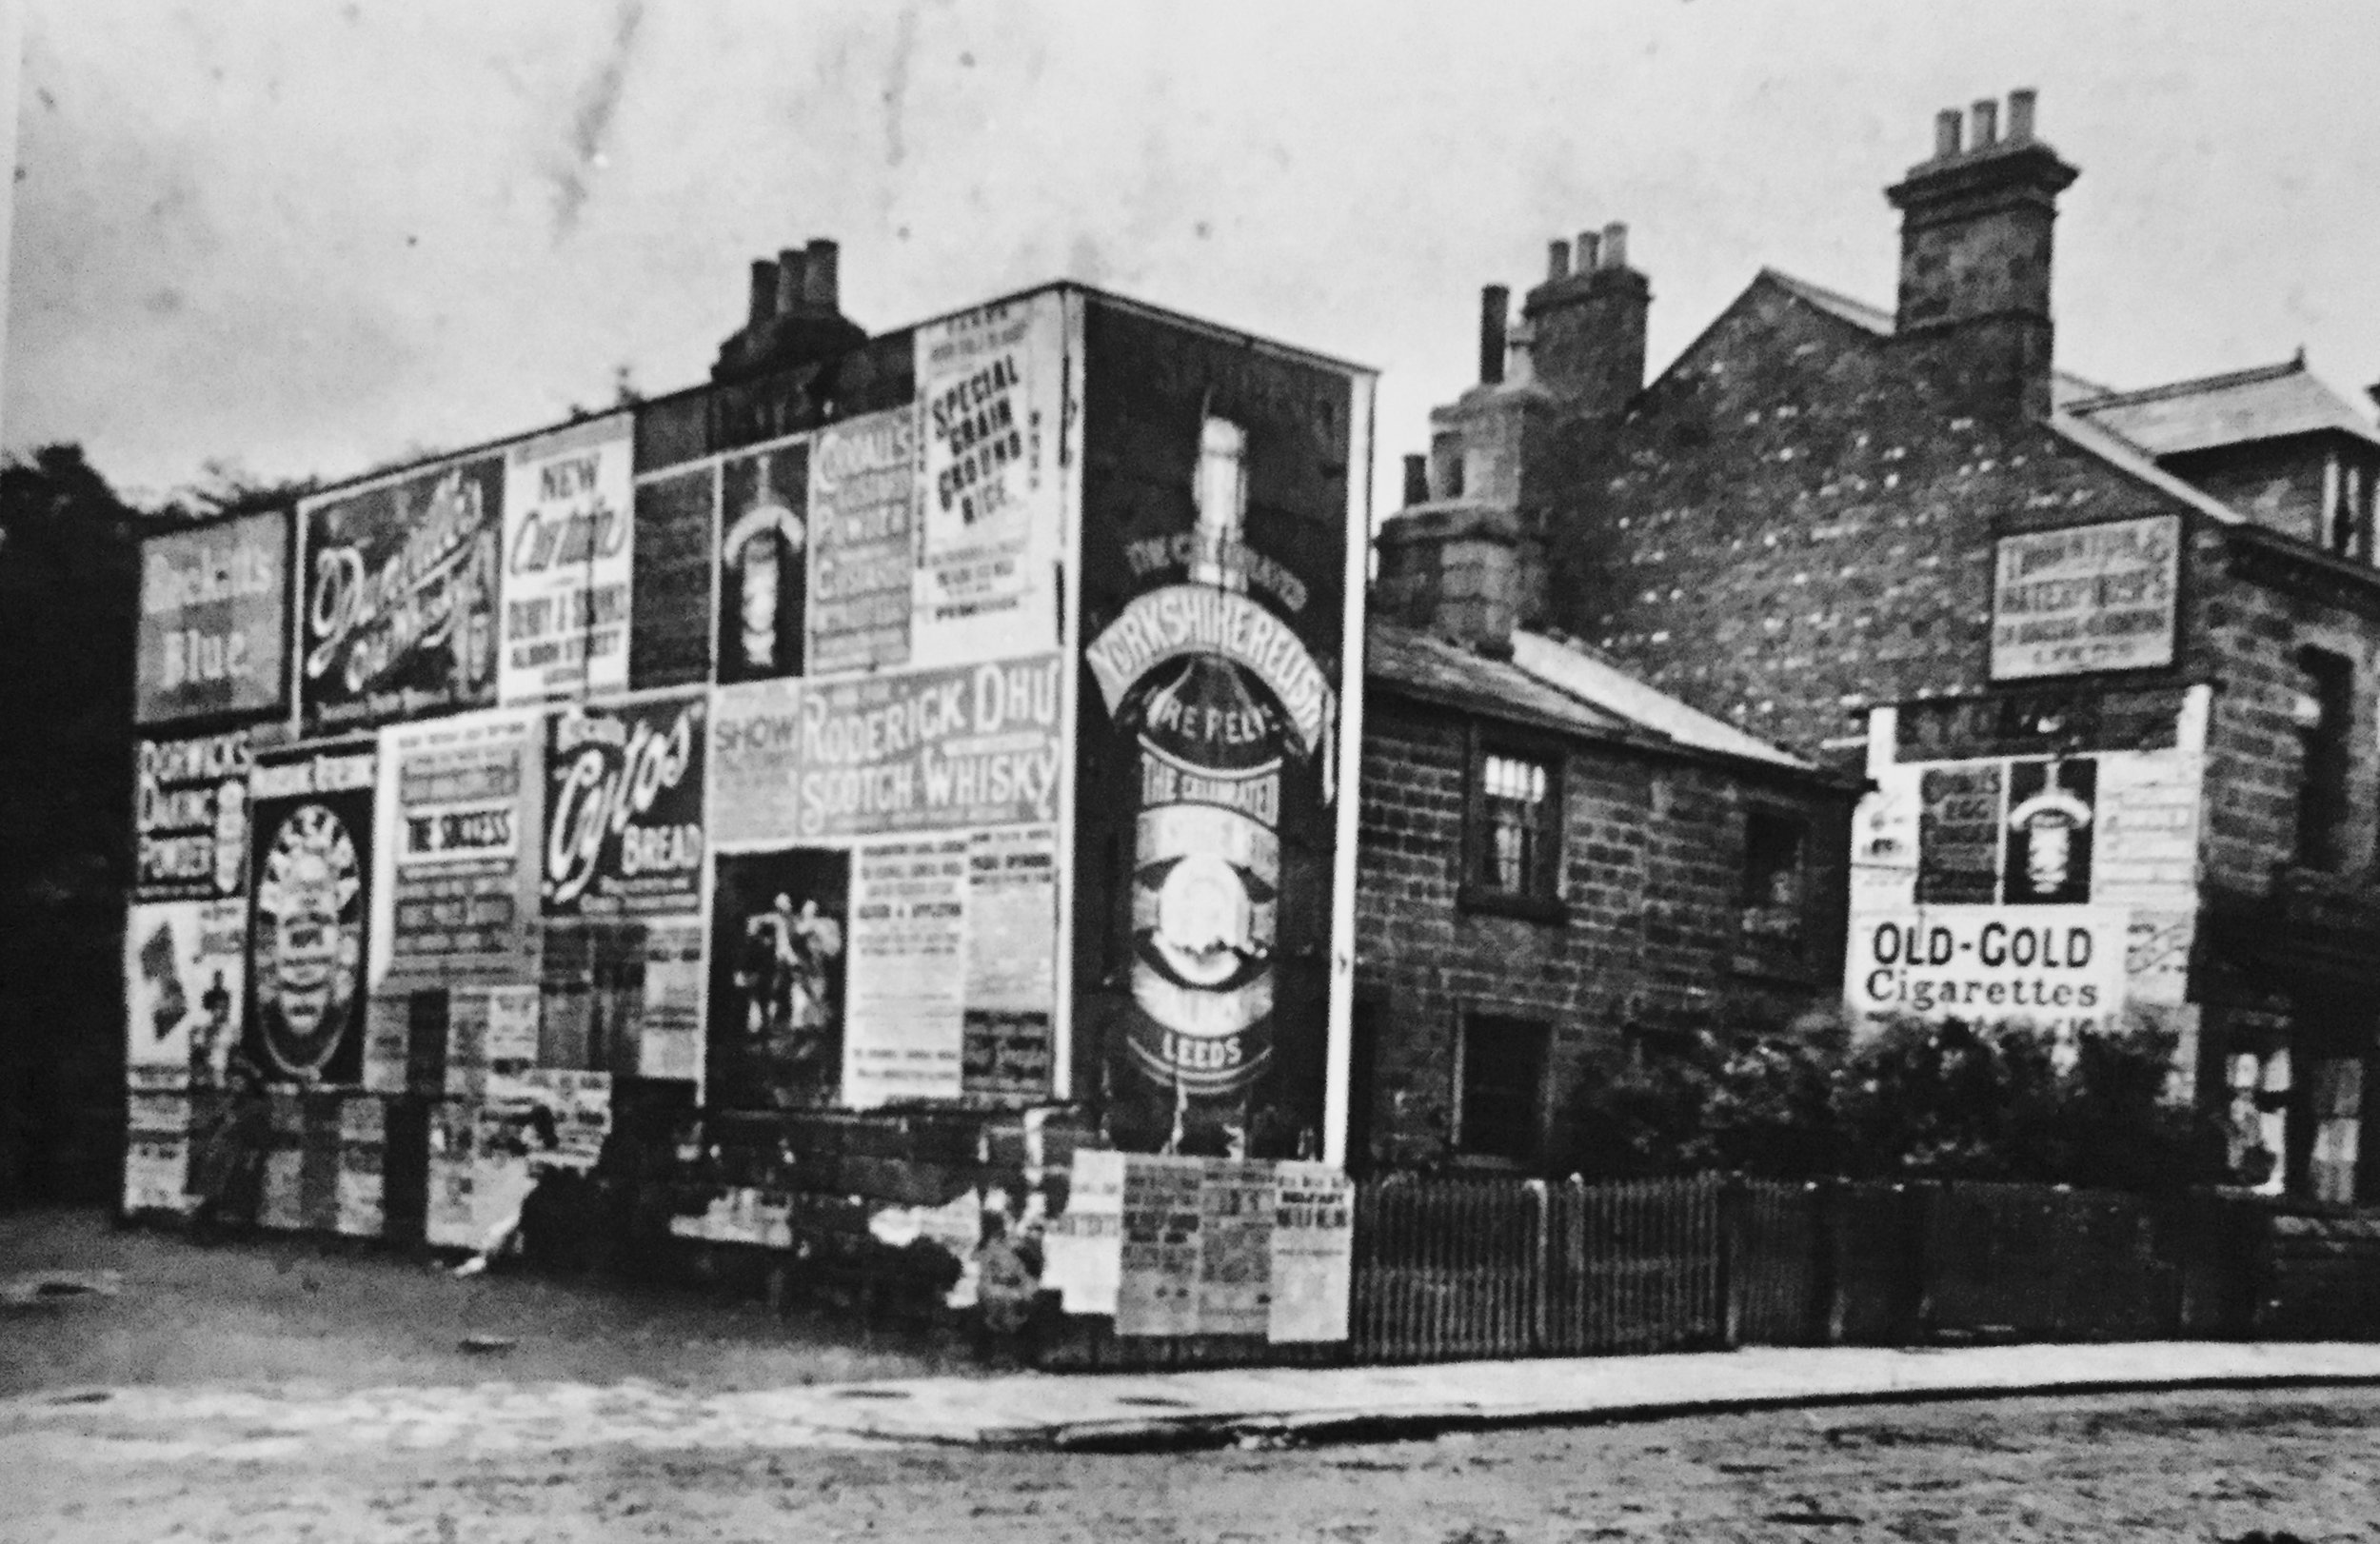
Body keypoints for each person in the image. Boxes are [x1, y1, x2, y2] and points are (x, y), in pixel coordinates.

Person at [187, 1049, 272, 1243]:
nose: (235, 1083)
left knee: (237, 1195)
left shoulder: (254, 1105)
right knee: (214, 1193)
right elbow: (214, 1124)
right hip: (222, 1152)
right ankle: (204, 1229)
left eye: (239, 1080)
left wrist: (252, 1153)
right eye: (232, 1079)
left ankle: (231, 1231)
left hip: (239, 1153)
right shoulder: (229, 1101)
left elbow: (256, 1132)